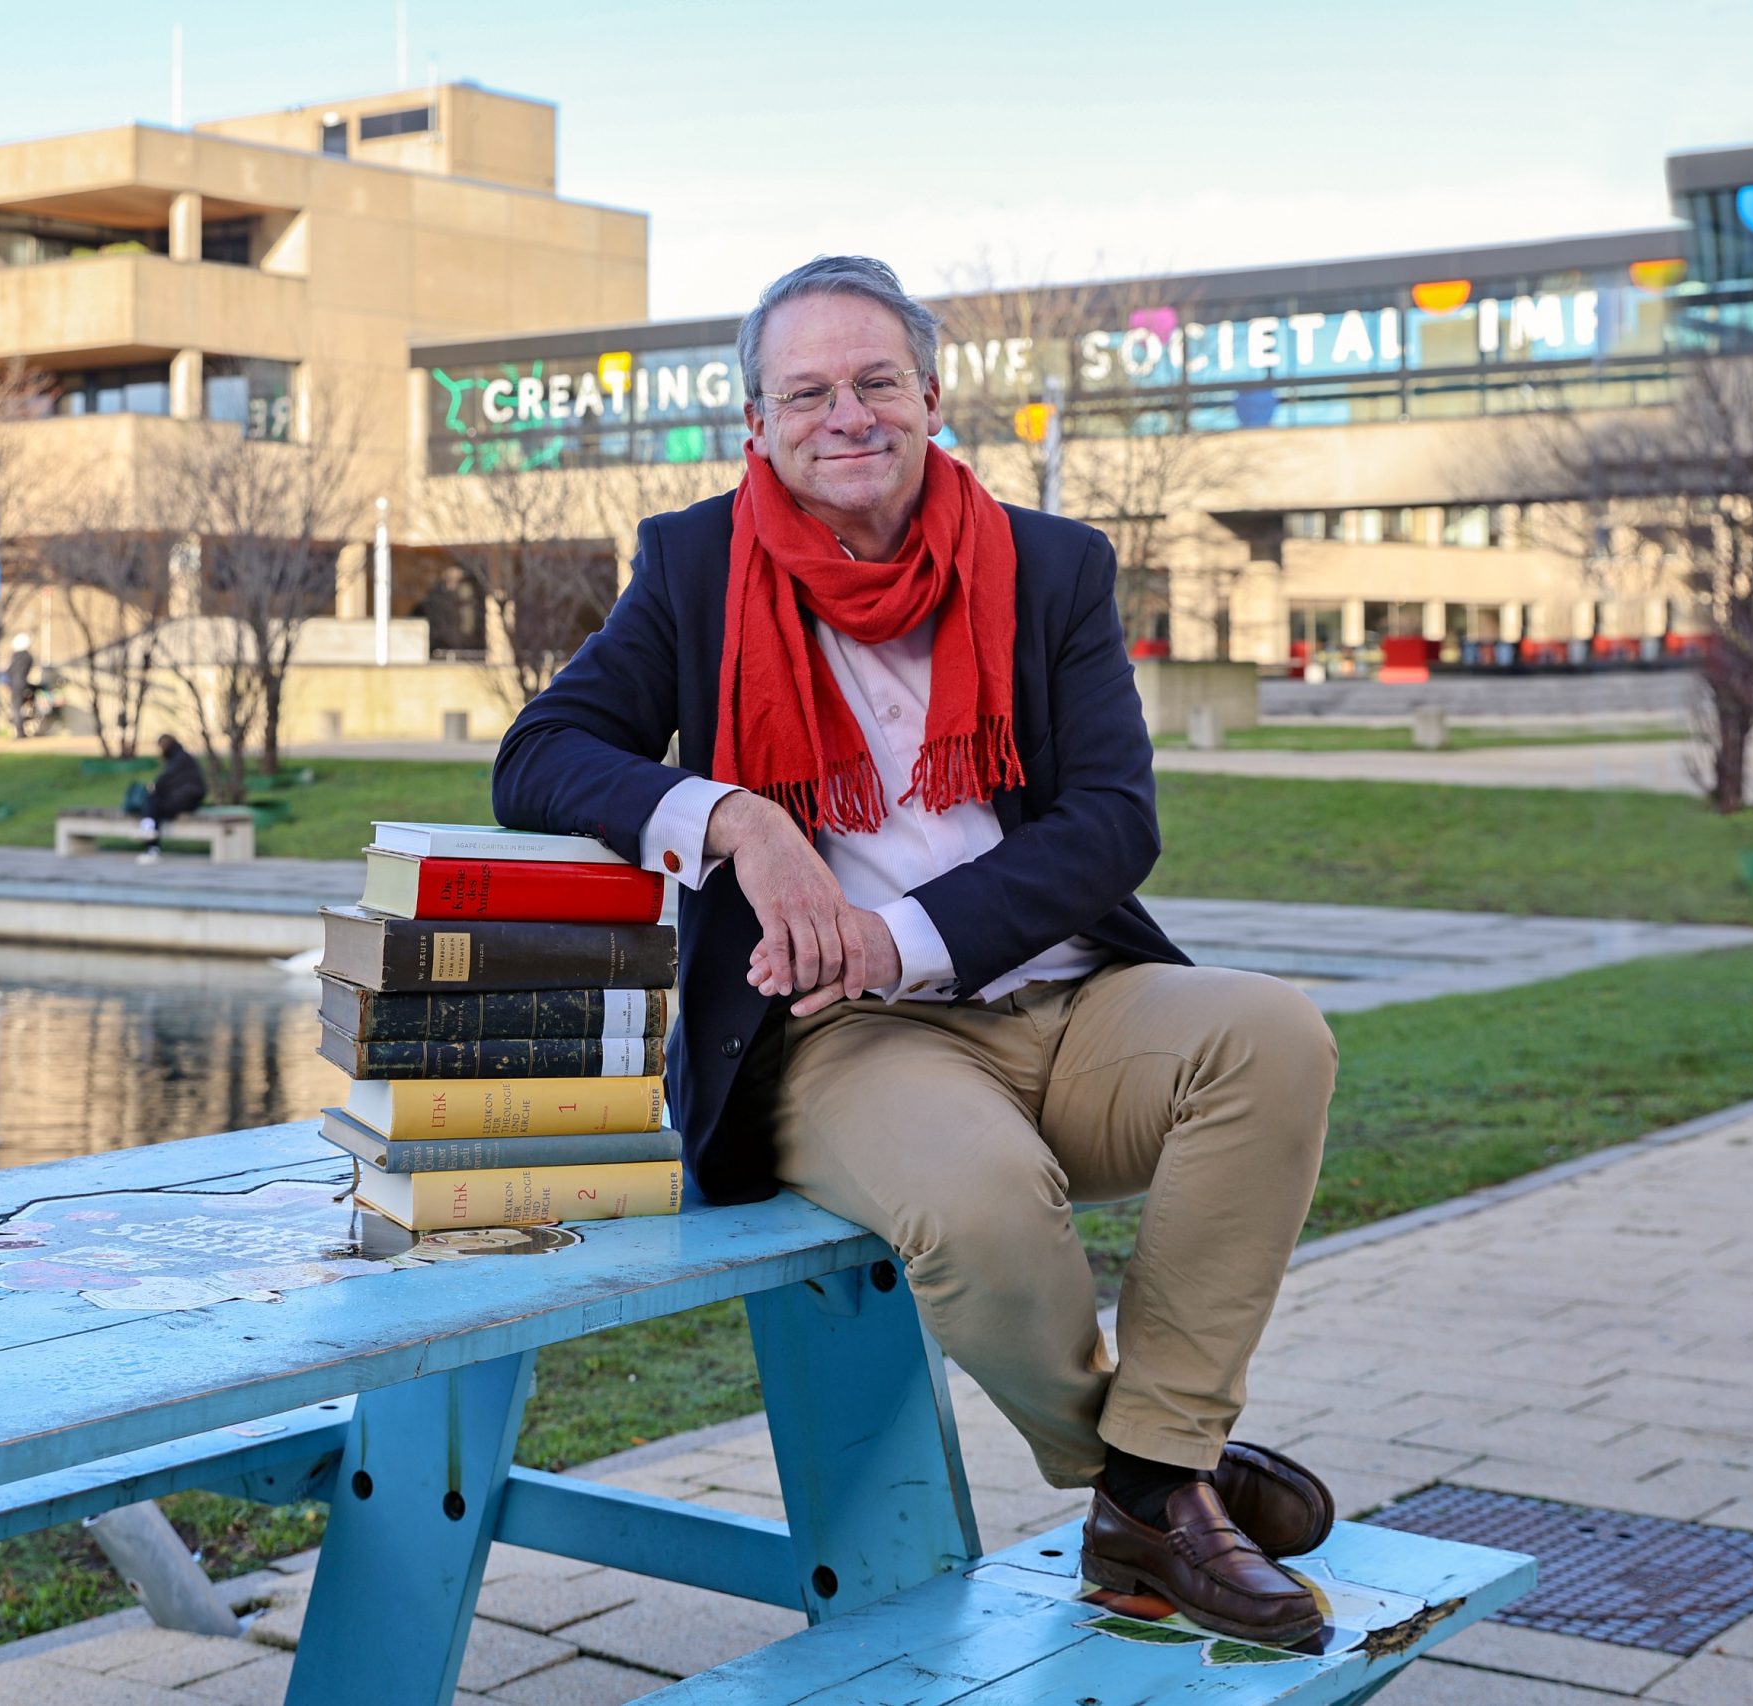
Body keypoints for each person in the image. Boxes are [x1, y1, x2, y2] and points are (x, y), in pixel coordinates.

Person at [493, 256, 1341, 1645]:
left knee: (1272, 1032)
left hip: (1066, 993)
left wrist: (896, 936)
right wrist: (740, 818)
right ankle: (1164, 1481)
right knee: (980, 1202)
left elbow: (1113, 821)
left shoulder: (1051, 565)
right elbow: (538, 756)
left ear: (932, 398)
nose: (848, 415)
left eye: (877, 381)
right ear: (756, 423)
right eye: (807, 392)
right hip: (846, 1038)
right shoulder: (695, 566)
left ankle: (1151, 1478)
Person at [133, 734, 207, 865]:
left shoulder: (179, 759)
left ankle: (150, 842)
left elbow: (165, 779)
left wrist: (154, 787)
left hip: (187, 800)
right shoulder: (180, 757)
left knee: (152, 803)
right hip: (183, 799)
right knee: (153, 805)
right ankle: (149, 837)